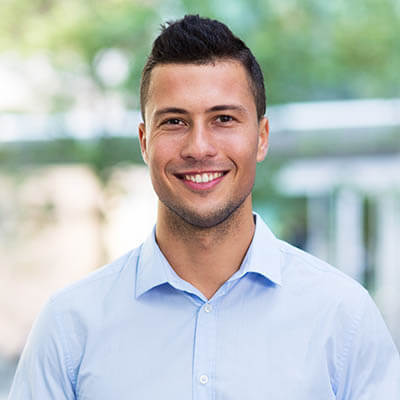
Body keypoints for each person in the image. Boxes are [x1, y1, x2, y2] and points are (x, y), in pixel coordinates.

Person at [8, 15, 400, 400]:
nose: (199, 147)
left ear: (261, 137)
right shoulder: (70, 326)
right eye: (175, 122)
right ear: (144, 141)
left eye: (224, 119)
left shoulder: (343, 318)